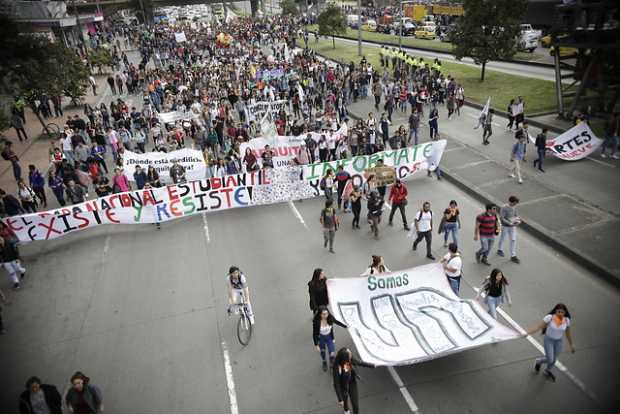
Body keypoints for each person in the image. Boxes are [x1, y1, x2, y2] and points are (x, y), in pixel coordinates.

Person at [525, 303, 575, 382]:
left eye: (562, 312)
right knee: (550, 359)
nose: (560, 314)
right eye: (559, 312)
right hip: (549, 340)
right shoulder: (549, 318)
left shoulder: (567, 320)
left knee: (554, 359)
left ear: (565, 312)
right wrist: (527, 333)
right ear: (555, 311)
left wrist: (571, 345)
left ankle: (547, 370)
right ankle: (539, 361)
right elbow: (539, 327)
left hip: (559, 341)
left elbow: (568, 333)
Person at [332, 347, 375, 414]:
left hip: (352, 383)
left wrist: (372, 365)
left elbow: (359, 362)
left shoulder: (349, 359)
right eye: (349, 354)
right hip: (343, 387)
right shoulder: (337, 368)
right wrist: (340, 399)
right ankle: (346, 410)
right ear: (344, 358)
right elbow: (336, 383)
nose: (351, 355)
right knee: (345, 402)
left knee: (355, 404)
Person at [313, 306, 347, 371]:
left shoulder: (330, 318)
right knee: (322, 351)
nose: (326, 315)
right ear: (320, 314)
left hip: (329, 337)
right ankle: (324, 361)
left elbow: (337, 322)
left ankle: (332, 362)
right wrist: (316, 345)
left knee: (332, 352)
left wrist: (346, 326)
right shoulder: (316, 322)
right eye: (324, 314)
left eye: (327, 313)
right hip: (321, 338)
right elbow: (314, 334)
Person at [497, 195, 522, 263]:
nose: (515, 204)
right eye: (514, 203)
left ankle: (513, 255)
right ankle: (500, 249)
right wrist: (509, 223)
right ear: (511, 201)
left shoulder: (514, 207)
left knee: (513, 240)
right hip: (505, 226)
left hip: (512, 226)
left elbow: (516, 215)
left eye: (516, 203)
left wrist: (518, 220)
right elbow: (502, 218)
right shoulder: (504, 207)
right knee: (503, 238)